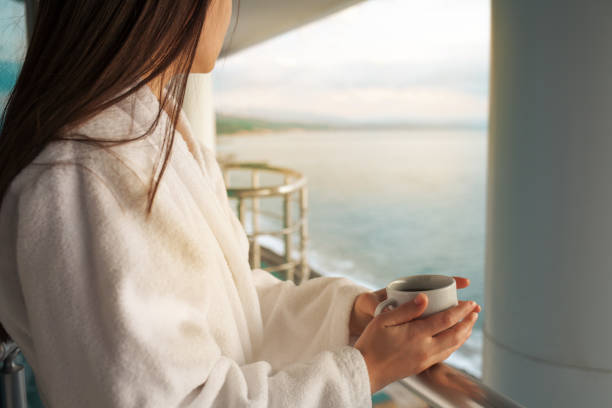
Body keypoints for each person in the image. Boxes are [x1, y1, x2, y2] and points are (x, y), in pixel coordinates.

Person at [0, 1, 480, 407]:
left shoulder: (152, 140)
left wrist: (349, 315)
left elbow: (231, 308)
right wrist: (366, 369)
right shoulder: (84, 177)